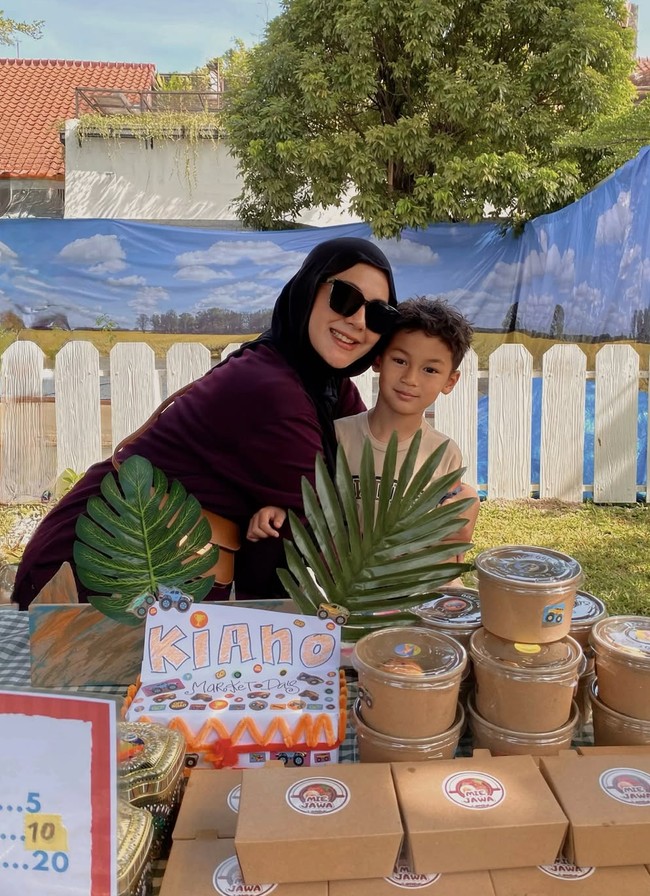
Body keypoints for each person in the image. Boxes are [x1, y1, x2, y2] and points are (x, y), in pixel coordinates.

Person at [12, 237, 400, 610]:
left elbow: (374, 470)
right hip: (91, 568)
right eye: (345, 298)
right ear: (309, 289)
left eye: (380, 314)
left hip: (163, 573)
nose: (359, 321)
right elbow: (335, 526)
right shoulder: (271, 388)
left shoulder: (323, 383)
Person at [247, 296, 479, 556]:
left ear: (450, 381)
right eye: (400, 361)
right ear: (378, 360)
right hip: (337, 588)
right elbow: (307, 502)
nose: (410, 379)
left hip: (405, 591)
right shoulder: (335, 436)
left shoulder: (444, 454)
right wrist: (277, 513)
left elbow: (448, 536)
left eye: (430, 370)